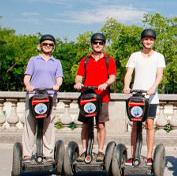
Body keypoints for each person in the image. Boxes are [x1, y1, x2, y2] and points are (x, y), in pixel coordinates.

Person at [123, 29, 166, 166]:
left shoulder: (159, 56)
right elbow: (129, 73)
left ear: (154, 41)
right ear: (142, 40)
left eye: (151, 39)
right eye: (146, 39)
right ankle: (133, 154)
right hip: (137, 95)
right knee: (135, 125)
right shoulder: (135, 56)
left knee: (149, 124)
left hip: (151, 97)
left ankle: (148, 156)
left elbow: (160, 74)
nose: (148, 41)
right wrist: (126, 85)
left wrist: (153, 87)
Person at [73, 33, 116, 162]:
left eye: (100, 43)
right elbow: (79, 75)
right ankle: (84, 150)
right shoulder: (85, 60)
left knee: (100, 125)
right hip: (87, 97)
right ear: (91, 44)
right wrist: (78, 83)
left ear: (104, 44)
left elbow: (112, 76)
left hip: (102, 97)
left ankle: (101, 151)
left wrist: (106, 83)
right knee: (85, 125)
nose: (98, 45)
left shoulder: (109, 59)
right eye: (95, 43)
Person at [23, 34, 63, 162]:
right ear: (41, 46)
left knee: (48, 124)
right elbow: (27, 76)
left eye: (50, 45)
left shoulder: (56, 62)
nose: (48, 46)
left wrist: (57, 85)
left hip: (49, 96)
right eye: (45, 44)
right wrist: (28, 85)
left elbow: (59, 78)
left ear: (53, 47)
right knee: (30, 123)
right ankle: (27, 153)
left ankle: (48, 152)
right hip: (34, 95)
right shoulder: (33, 60)